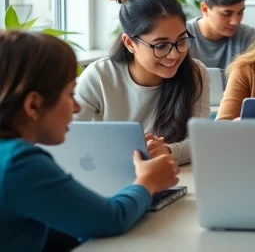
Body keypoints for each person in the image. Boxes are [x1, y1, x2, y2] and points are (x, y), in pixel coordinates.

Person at [0, 31, 179, 252]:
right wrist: (147, 181)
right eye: (70, 94)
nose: (76, 108)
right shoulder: (19, 164)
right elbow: (112, 219)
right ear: (33, 105)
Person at [75, 0, 210, 166]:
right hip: (108, 174)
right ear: (130, 43)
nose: (174, 54)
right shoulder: (99, 76)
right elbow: (69, 138)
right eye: (161, 45)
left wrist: (168, 151)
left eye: (181, 41)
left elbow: (201, 141)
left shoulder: (196, 73)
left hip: (170, 177)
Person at [186, 0, 255, 70]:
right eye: (227, 13)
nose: (235, 21)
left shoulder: (249, 37)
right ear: (205, 9)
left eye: (240, 12)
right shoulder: (183, 36)